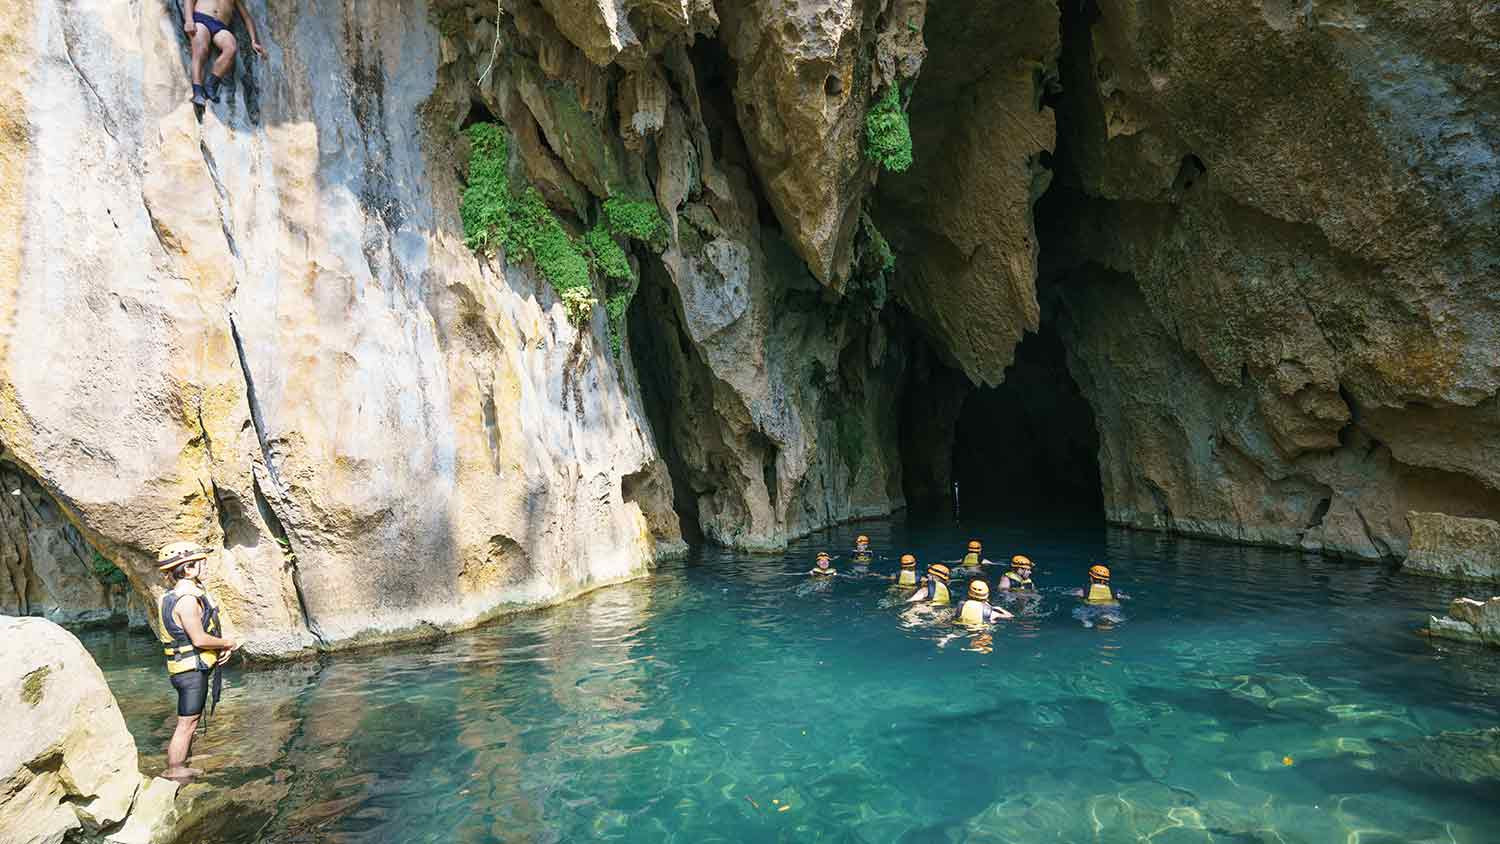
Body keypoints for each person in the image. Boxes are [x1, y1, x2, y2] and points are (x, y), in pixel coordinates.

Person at [157, 541, 236, 780]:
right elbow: (200, 639)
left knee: (189, 721)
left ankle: (182, 763)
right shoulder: (188, 600)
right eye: (200, 563)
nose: (204, 567)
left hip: (185, 669)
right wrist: (227, 643)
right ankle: (176, 771)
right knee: (187, 724)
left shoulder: (170, 596)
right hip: (190, 673)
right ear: (188, 569)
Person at [183, 0, 267, 105]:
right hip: (201, 18)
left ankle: (211, 85)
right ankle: (198, 91)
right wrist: (189, 19)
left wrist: (254, 41)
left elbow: (247, 18)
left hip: (220, 26)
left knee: (231, 48)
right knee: (200, 50)